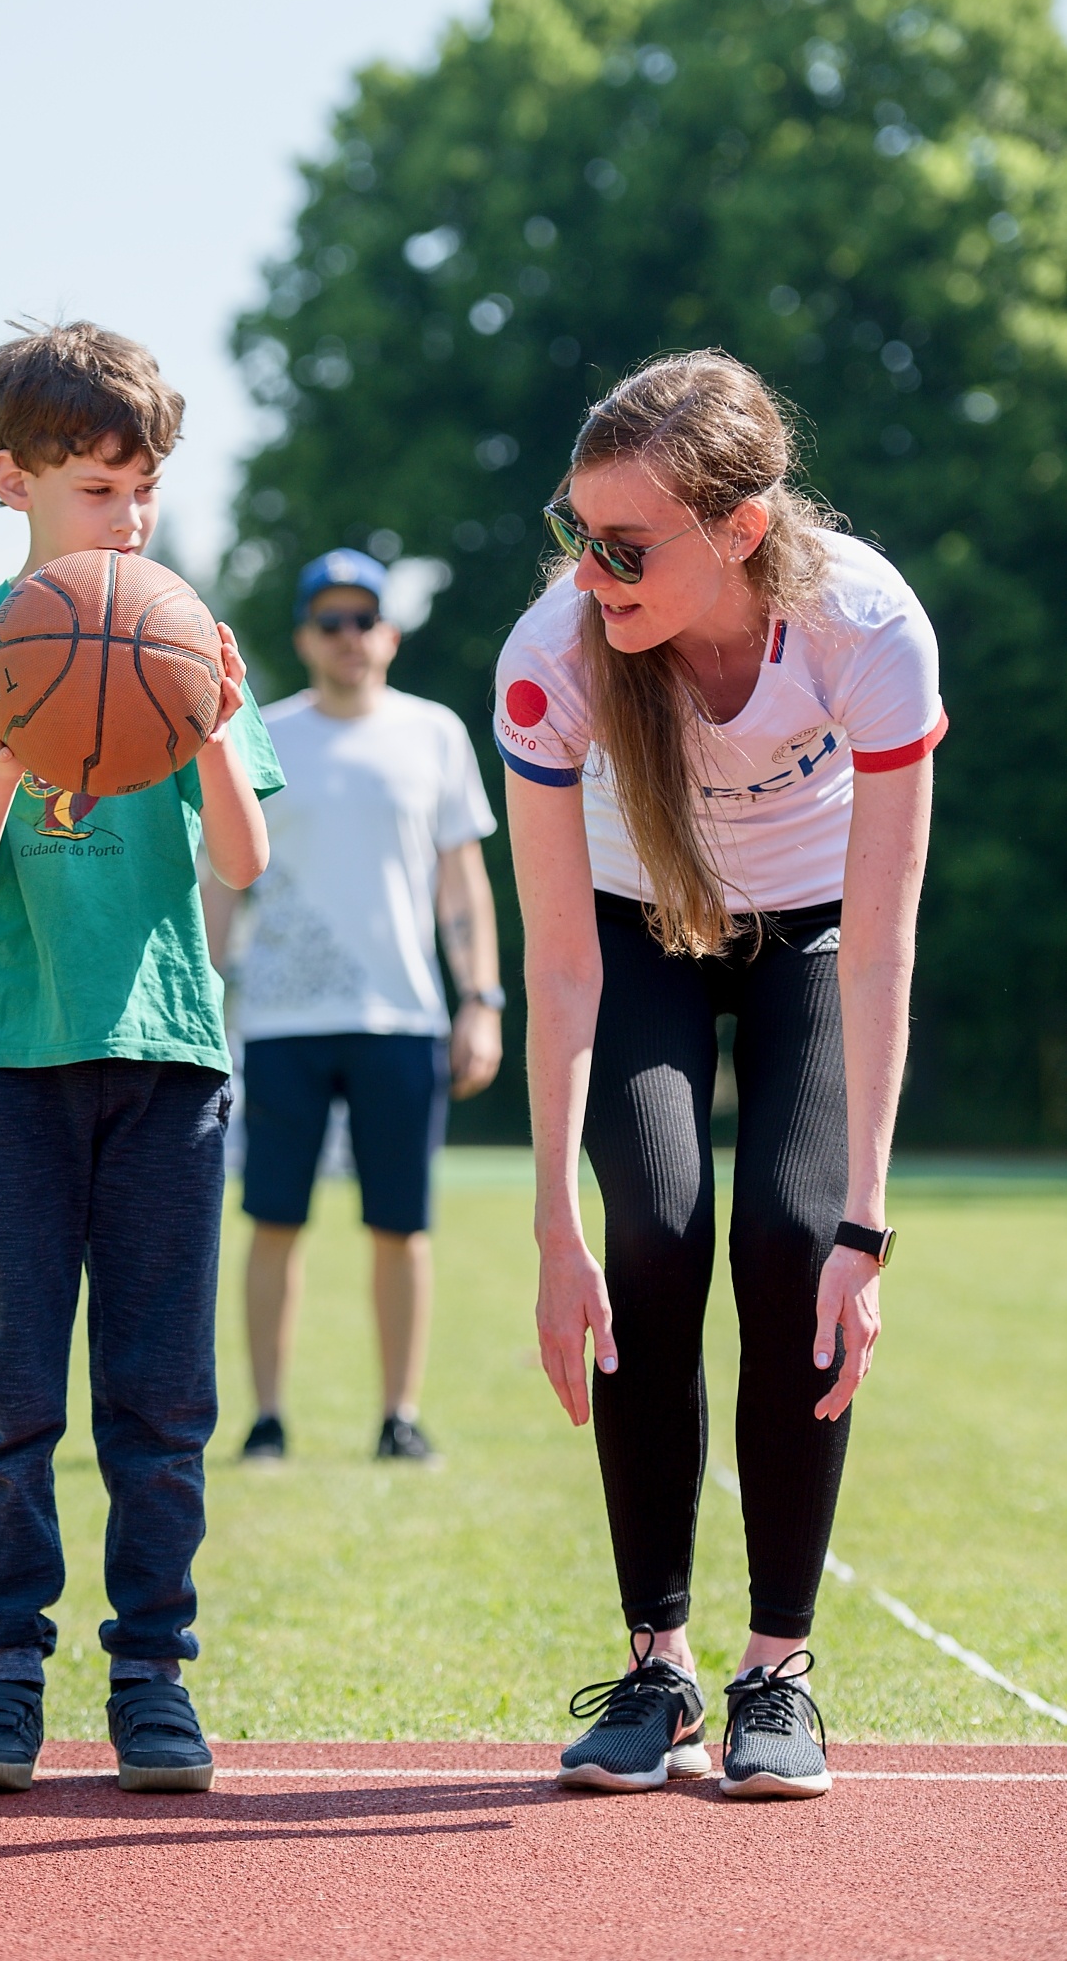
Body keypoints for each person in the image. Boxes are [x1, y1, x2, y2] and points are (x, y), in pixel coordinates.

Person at [496, 351, 943, 1799]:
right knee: (652, 1228)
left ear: (739, 530)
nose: (590, 573)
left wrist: (866, 1224)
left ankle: (776, 1671)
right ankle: (658, 1664)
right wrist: (553, 1225)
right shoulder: (552, 659)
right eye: (576, 535)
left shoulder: (866, 626)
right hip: (634, 929)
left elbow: (881, 940)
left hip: (813, 929)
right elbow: (561, 967)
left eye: (625, 547)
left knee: (794, 1238)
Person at [0, 321, 283, 1795]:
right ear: (16, 479)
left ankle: (152, 1674)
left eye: (144, 488)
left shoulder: (186, 634)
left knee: (162, 1400)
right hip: (12, 1063)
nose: (128, 515)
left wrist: (215, 729)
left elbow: (244, 858)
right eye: (99, 487)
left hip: (169, 1055)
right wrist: (5, 740)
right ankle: (2, 1672)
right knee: (12, 1396)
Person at [204, 548, 503, 1464]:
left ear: (391, 634)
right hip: (282, 1021)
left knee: (401, 1227)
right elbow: (225, 877)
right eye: (329, 622)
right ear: (304, 637)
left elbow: (463, 880)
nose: (348, 637)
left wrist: (482, 999)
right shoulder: (262, 734)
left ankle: (398, 1417)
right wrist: (204, 998)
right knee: (274, 1221)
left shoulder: (434, 734)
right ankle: (266, 1420)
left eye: (363, 619)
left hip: (402, 1019)